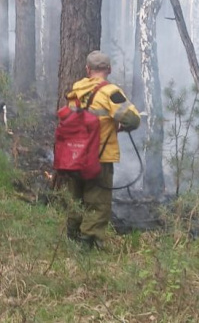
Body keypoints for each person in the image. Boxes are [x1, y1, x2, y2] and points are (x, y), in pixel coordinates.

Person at [64, 50, 140, 249]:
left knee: (76, 198)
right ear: (109, 69)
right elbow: (132, 119)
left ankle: (70, 238)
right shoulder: (111, 92)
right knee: (97, 203)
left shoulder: (76, 90)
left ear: (87, 70)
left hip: (73, 156)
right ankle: (87, 245)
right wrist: (121, 126)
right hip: (99, 158)